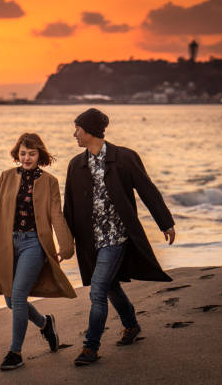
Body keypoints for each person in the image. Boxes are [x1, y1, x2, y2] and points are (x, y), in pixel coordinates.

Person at [63, 108, 176, 366]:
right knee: (109, 285)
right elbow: (68, 206)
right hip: (90, 240)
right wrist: (66, 240)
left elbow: (148, 190)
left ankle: (90, 347)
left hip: (117, 236)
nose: (74, 134)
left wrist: (165, 222)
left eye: (77, 129)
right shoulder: (76, 164)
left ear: (89, 130)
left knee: (98, 289)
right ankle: (131, 325)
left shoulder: (124, 157)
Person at [0, 133, 76, 371]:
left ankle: (15, 352)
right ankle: (45, 324)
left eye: (32, 154)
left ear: (40, 155)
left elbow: (56, 214)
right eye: (23, 153)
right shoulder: (5, 177)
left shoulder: (50, 181)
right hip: (6, 243)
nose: (26, 158)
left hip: (33, 244)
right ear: (18, 154)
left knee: (19, 295)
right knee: (10, 299)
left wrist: (66, 247)